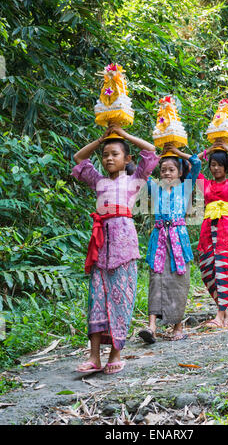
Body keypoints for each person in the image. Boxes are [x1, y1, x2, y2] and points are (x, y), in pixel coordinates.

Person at [71, 124, 160, 374]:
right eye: (105, 155)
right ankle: (94, 357)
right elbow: (79, 158)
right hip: (100, 247)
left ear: (127, 159)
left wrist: (124, 135)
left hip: (124, 248)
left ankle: (115, 355)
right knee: (96, 300)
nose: (109, 158)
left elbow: (151, 151)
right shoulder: (98, 181)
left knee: (121, 300)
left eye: (115, 154)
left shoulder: (135, 180)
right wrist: (101, 139)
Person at [138, 143, 201, 343]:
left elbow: (196, 162)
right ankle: (152, 327)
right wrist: (159, 156)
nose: (166, 173)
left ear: (179, 172)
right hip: (159, 240)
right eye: (163, 170)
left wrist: (175, 153)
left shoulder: (186, 187)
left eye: (171, 169)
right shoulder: (155, 188)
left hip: (178, 240)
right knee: (156, 278)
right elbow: (143, 173)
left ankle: (178, 326)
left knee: (178, 281)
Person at [196, 139, 228, 328]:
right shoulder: (205, 184)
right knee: (208, 272)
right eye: (213, 165)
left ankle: (219, 316)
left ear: (226, 167)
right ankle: (225, 312)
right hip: (208, 231)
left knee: (223, 271)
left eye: (219, 165)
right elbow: (191, 164)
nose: (216, 168)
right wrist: (210, 150)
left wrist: (226, 148)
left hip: (226, 231)